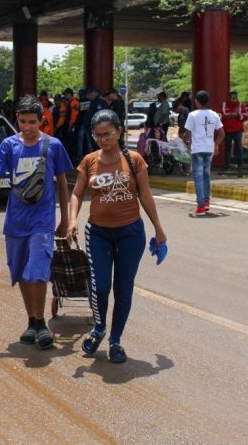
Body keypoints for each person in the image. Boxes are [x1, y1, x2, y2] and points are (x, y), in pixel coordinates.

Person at [68, 109, 167, 363]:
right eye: (98, 135)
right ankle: (99, 328)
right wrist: (72, 220)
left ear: (119, 132)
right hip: (98, 232)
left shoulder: (134, 159)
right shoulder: (89, 161)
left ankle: (115, 341)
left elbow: (145, 196)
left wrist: (158, 229)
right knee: (100, 285)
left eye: (108, 134)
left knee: (123, 289)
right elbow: (77, 194)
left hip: (130, 233)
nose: (103, 139)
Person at [0, 95, 72, 350]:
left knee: (37, 270)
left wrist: (65, 218)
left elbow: (62, 183)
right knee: (20, 271)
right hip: (16, 221)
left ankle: (41, 323)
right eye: (22, 121)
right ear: (16, 120)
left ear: (42, 120)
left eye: (32, 122)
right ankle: (32, 320)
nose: (27, 127)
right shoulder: (9, 146)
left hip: (42, 220)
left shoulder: (53, 146)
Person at [183, 90, 224, 216]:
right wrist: (215, 145)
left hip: (197, 149)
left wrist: (185, 139)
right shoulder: (214, 115)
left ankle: (200, 206)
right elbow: (222, 133)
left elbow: (187, 133)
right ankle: (206, 202)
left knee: (198, 178)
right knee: (206, 176)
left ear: (196, 101)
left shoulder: (193, 115)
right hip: (209, 149)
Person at [220, 90, 248, 171]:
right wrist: (228, 116)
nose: (233, 100)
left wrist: (238, 115)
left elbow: (246, 115)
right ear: (229, 97)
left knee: (239, 148)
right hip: (227, 130)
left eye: (235, 98)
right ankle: (226, 165)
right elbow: (220, 116)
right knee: (227, 148)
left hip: (237, 130)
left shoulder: (240, 105)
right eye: (232, 98)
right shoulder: (224, 105)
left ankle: (240, 165)